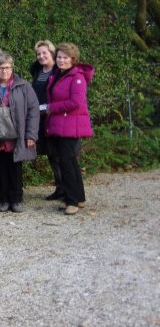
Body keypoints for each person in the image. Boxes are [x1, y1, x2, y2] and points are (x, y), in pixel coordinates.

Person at [45, 43, 94, 215]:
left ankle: (71, 200)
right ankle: (79, 198)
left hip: (71, 125)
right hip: (61, 124)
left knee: (66, 162)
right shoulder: (58, 75)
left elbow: (76, 102)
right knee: (70, 161)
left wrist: (52, 107)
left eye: (65, 57)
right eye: (59, 57)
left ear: (73, 59)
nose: (61, 60)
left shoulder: (77, 77)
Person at [0, 54, 40, 213]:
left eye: (7, 67)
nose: (4, 71)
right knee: (0, 167)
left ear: (12, 68)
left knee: (15, 167)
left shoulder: (23, 85)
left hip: (17, 133)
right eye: (0, 68)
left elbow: (33, 111)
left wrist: (31, 135)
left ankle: (16, 199)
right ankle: (4, 199)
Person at [30, 40, 63, 200]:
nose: (41, 56)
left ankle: (67, 187)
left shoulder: (58, 72)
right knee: (50, 153)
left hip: (54, 116)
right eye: (38, 54)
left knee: (59, 153)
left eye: (44, 53)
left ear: (52, 53)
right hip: (40, 118)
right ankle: (59, 187)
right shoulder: (37, 72)